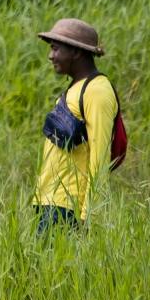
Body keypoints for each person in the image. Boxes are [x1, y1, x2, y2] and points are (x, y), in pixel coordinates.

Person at [32, 17, 119, 234]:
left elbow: (100, 157)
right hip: (52, 201)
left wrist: (90, 214)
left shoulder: (97, 91)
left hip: (70, 206)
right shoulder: (76, 88)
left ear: (76, 52)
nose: (50, 55)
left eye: (56, 49)